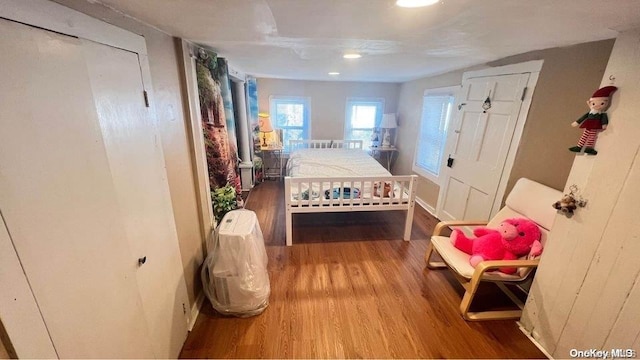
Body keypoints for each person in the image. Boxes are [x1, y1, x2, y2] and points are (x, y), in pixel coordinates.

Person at [569, 85, 617, 155]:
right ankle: (579, 147)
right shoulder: (591, 112)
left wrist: (604, 124)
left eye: (602, 103)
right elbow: (583, 117)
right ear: (591, 103)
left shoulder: (602, 113)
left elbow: (604, 119)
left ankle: (588, 148)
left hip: (595, 125)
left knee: (592, 136)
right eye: (594, 103)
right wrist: (577, 122)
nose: (597, 105)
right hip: (588, 124)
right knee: (584, 135)